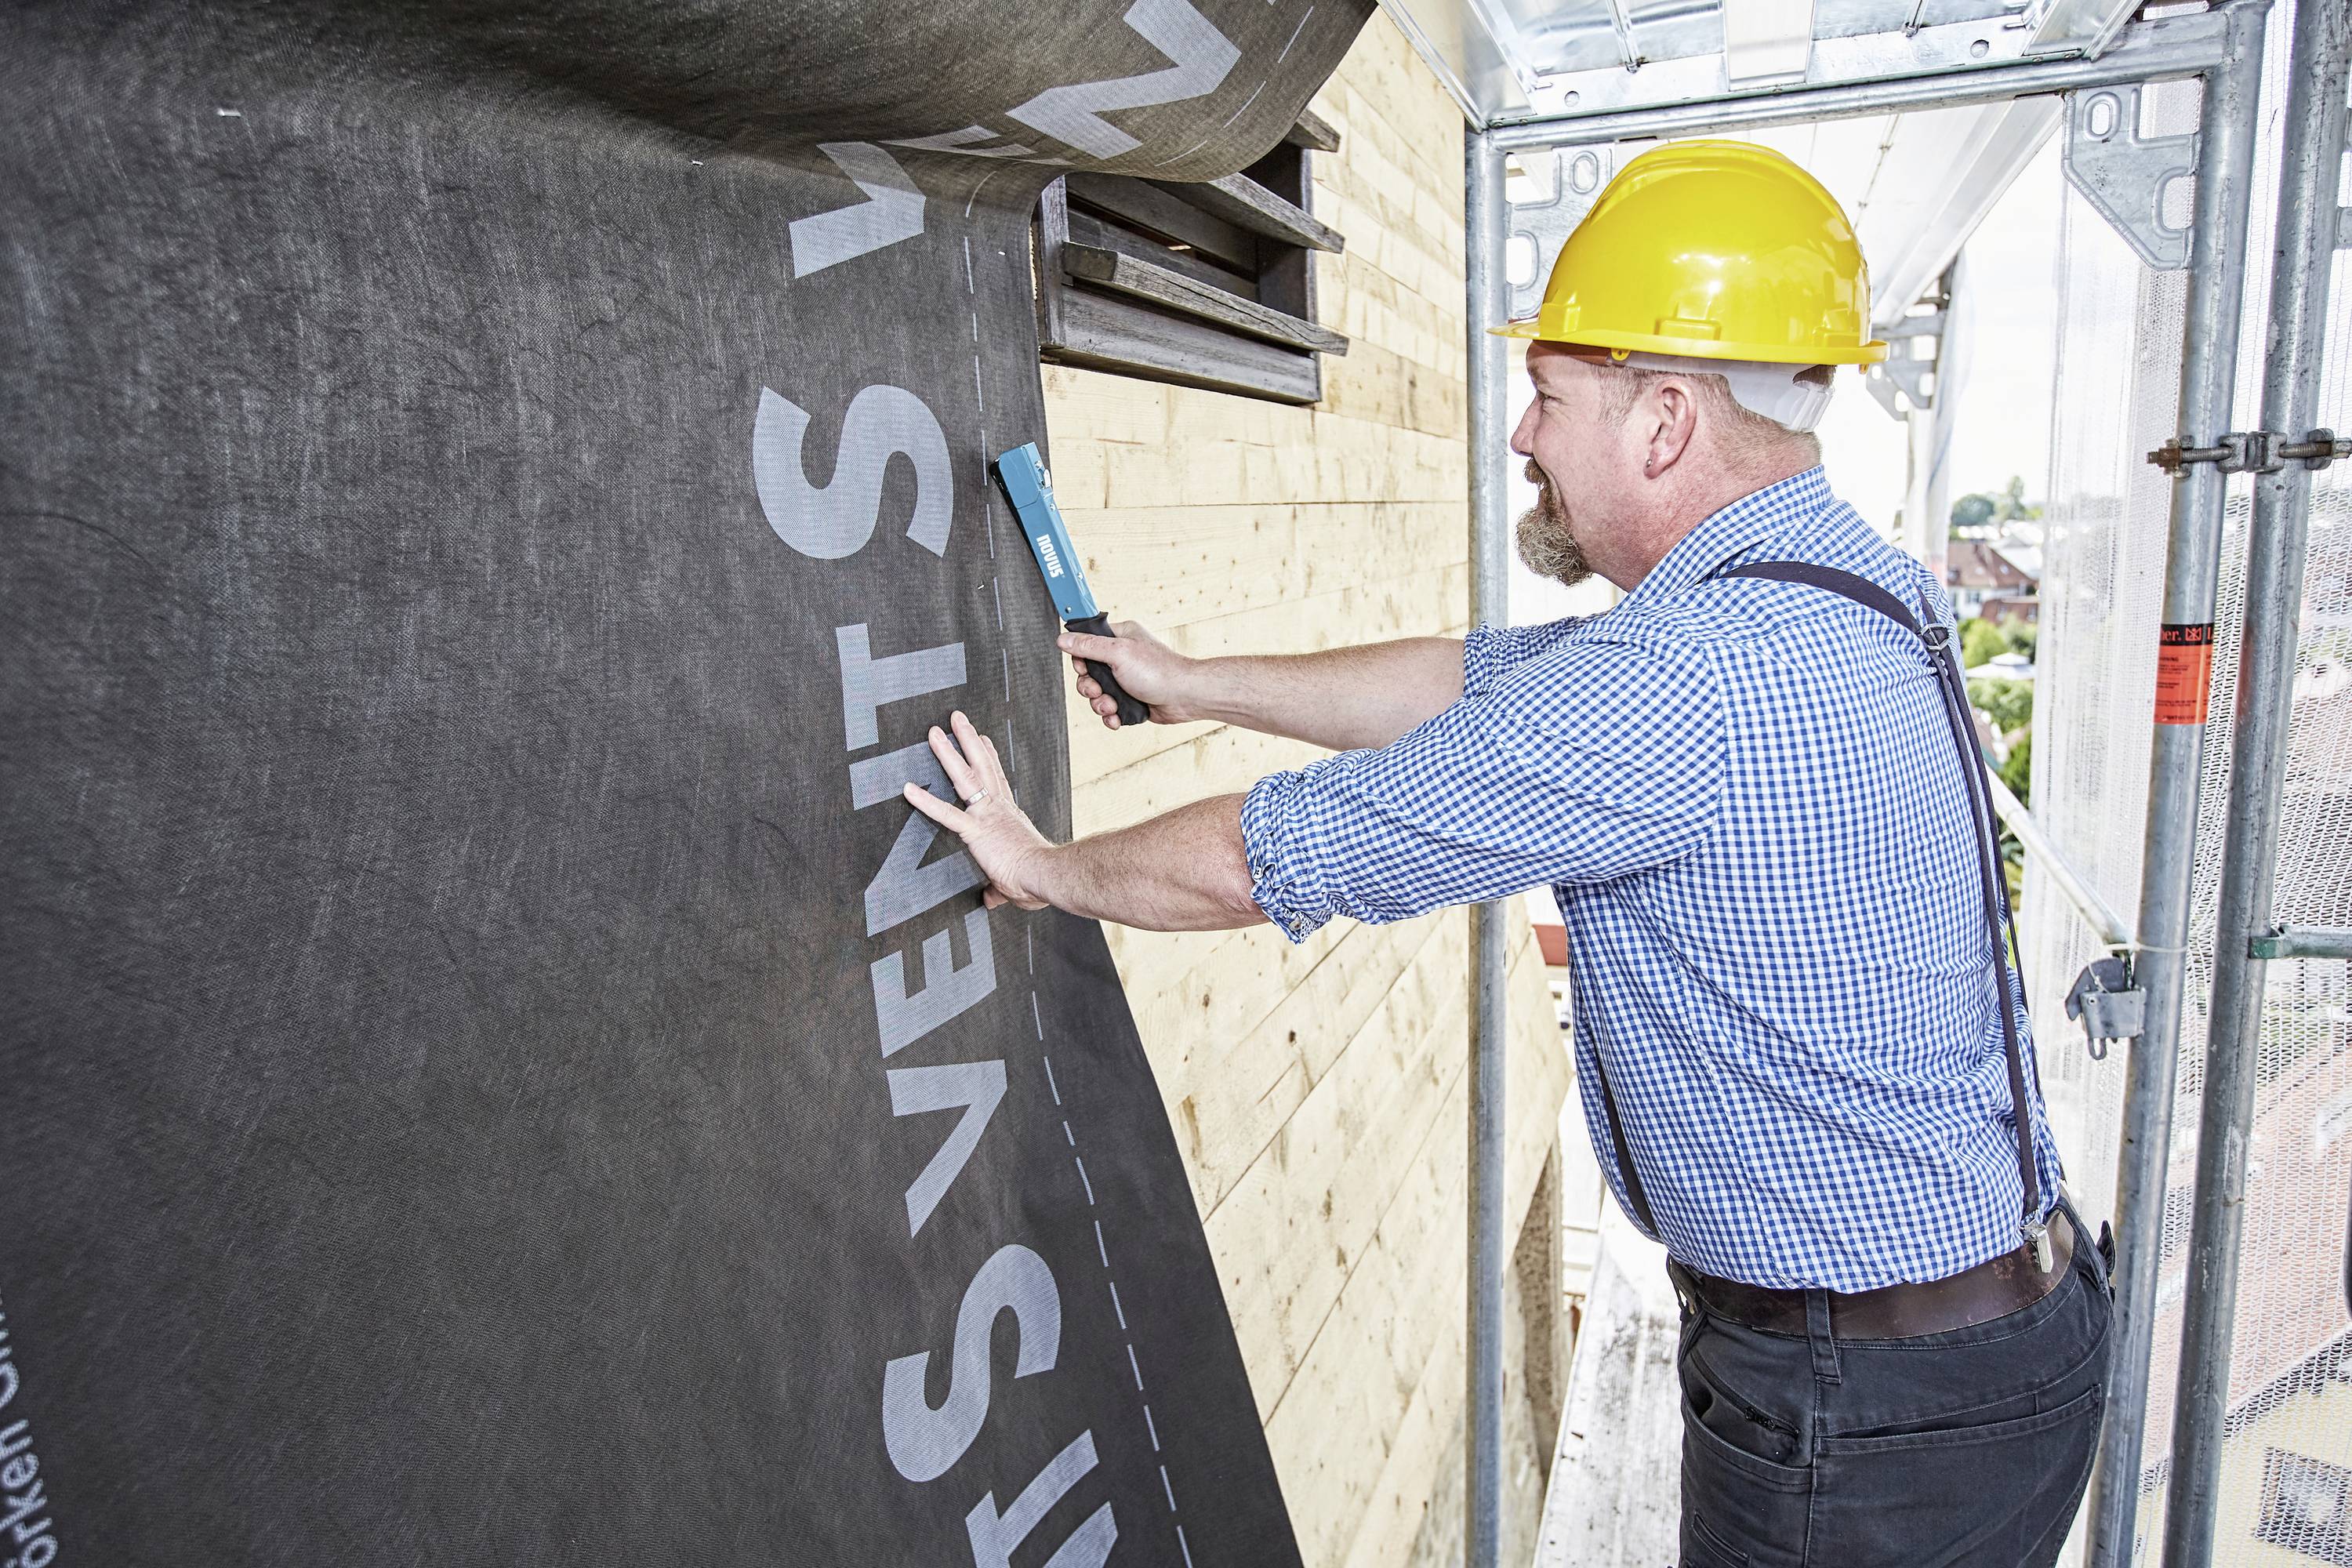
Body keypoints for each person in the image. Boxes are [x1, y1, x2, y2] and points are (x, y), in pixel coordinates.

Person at [903, 140, 2111, 1566]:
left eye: (1548, 396)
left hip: (1867, 1410)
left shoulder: (1690, 683)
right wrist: (1202, 677)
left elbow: (1265, 859)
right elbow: (1473, 682)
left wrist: (1043, 866)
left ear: (1664, 420)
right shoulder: (1843, 583)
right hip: (1983, 1344)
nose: (1523, 436)